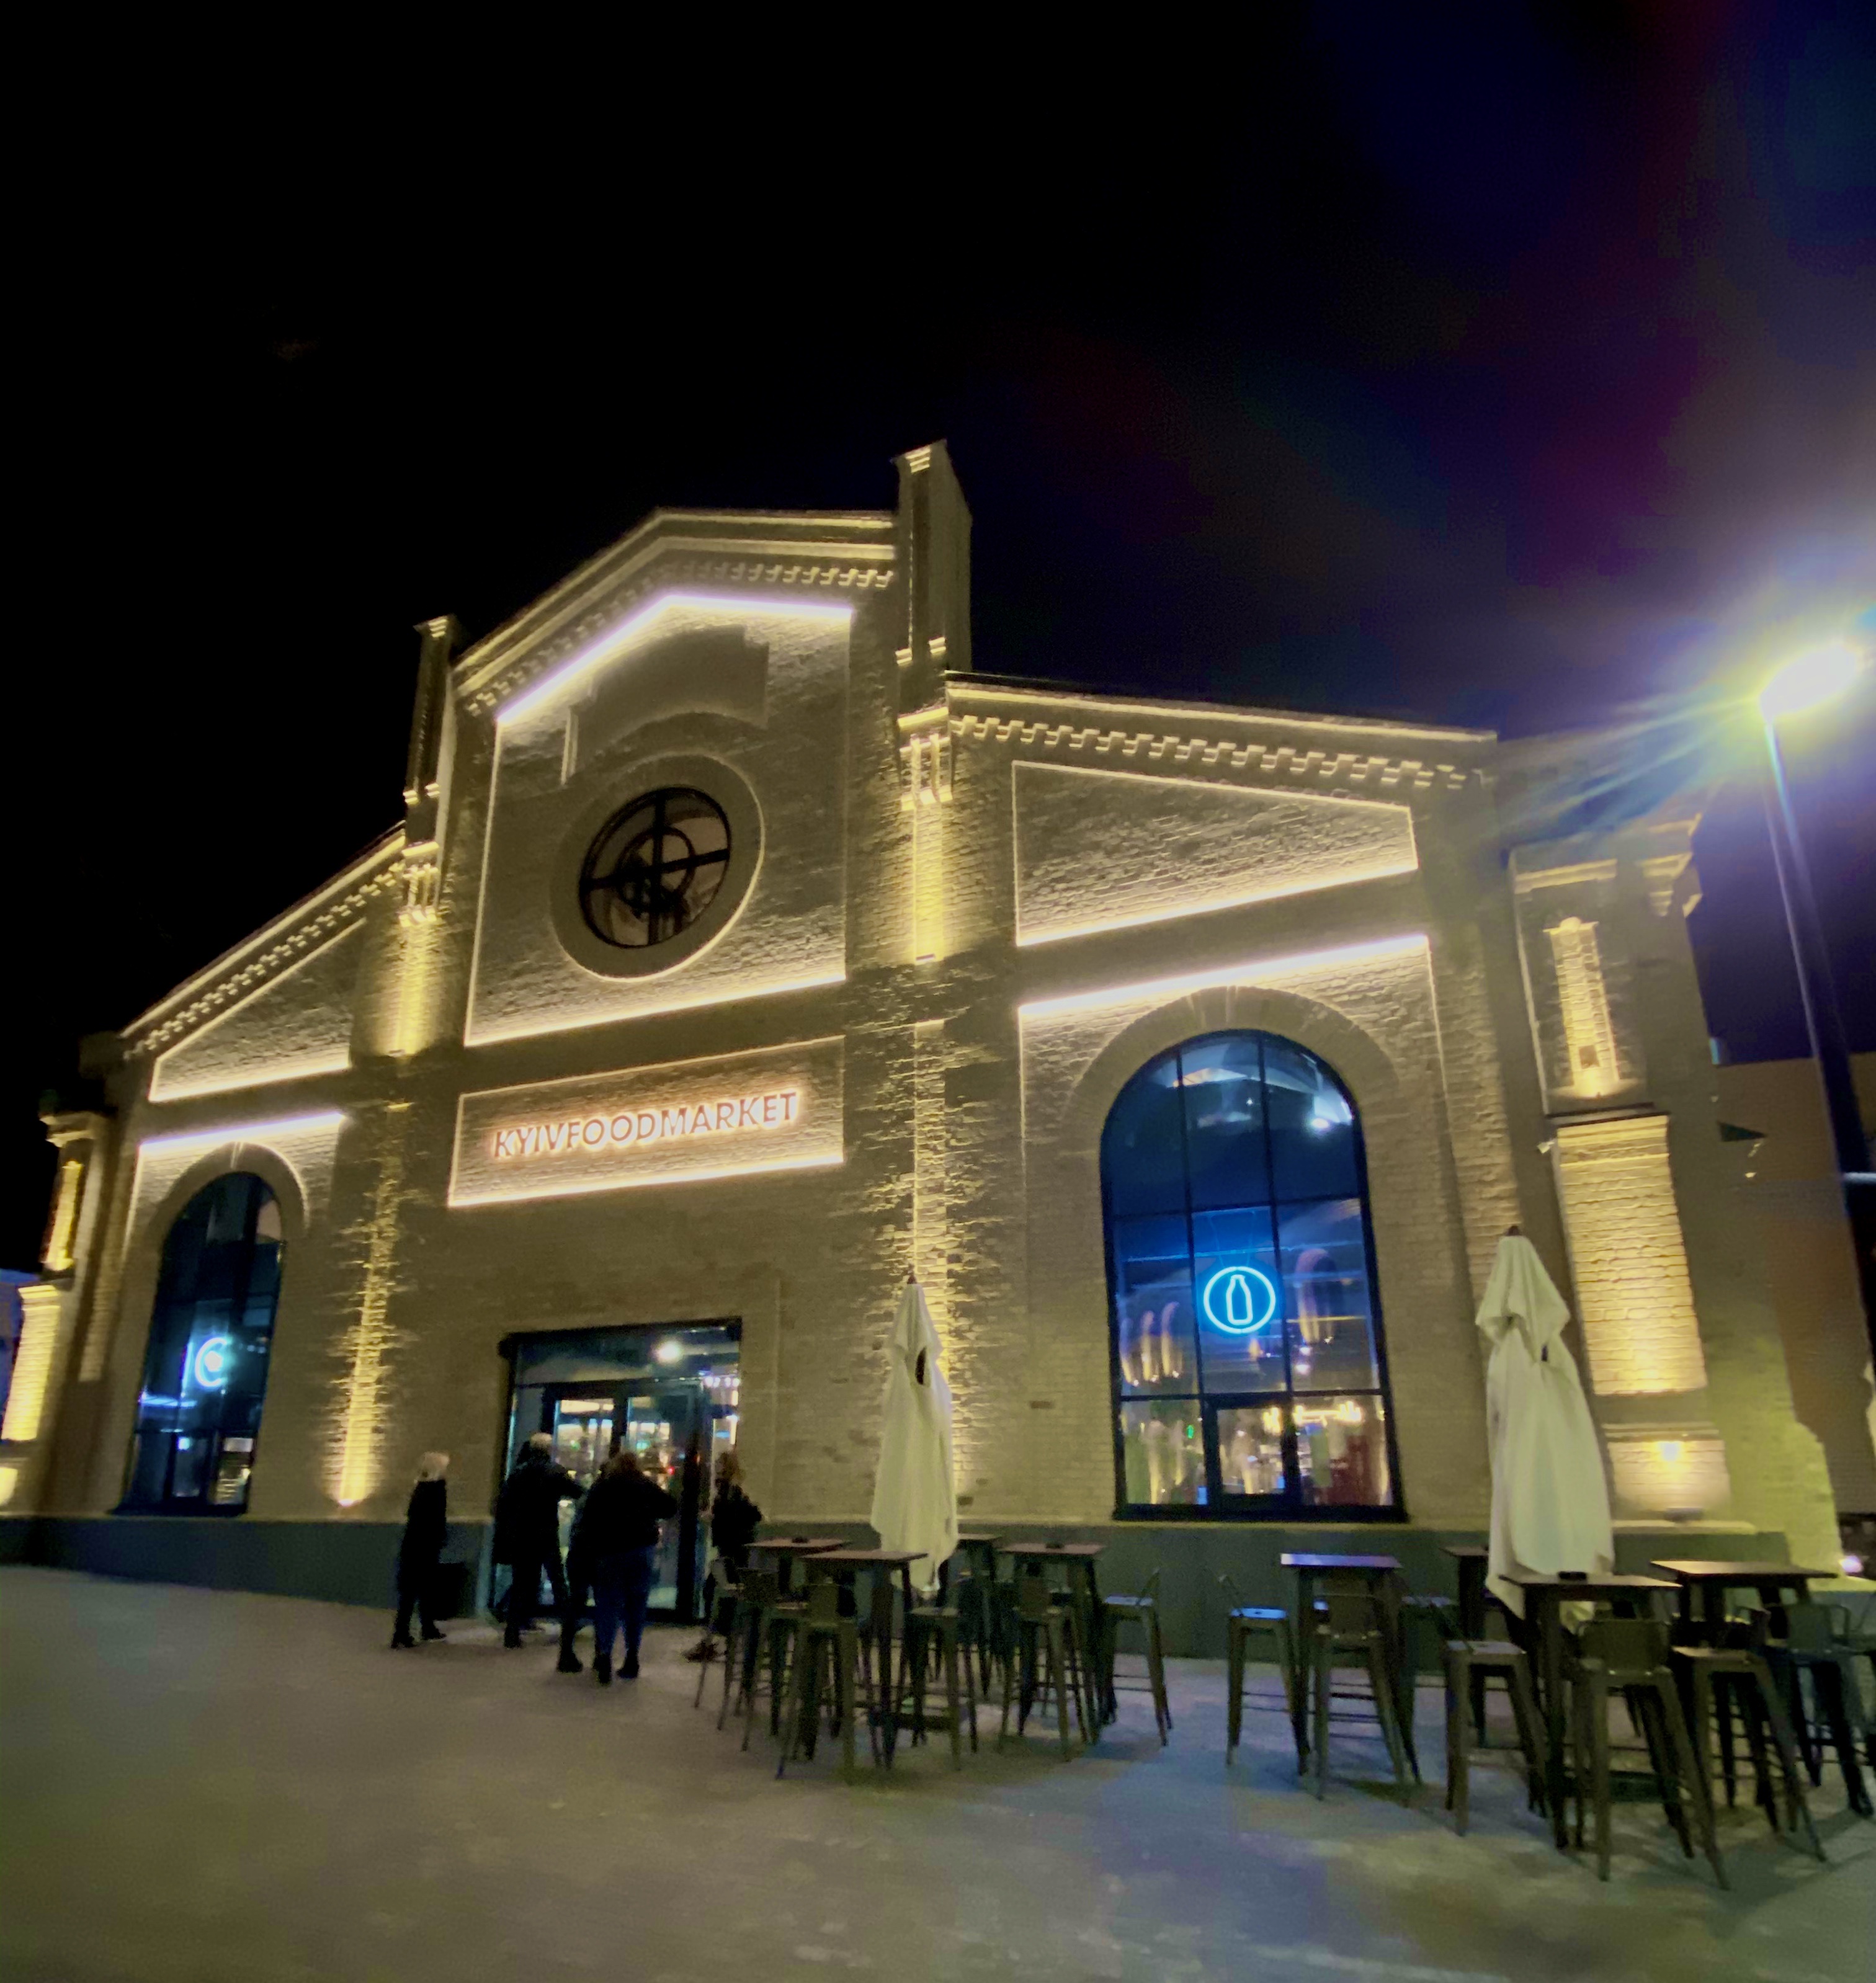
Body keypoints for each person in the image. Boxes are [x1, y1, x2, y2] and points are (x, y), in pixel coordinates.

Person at [580, 1448, 678, 1683]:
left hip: (609, 1551)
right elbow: (670, 1507)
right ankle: (632, 1657)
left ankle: (604, 1654)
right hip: (641, 1550)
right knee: (636, 1605)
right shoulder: (644, 1485)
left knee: (608, 1604)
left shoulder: (604, 1486)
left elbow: (588, 1519)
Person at [495, 1432, 583, 1649]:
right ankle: (568, 1626)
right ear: (549, 1449)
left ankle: (512, 1633)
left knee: (521, 1583)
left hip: (523, 1535)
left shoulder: (519, 1472)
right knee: (558, 1582)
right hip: (546, 1534)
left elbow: (505, 1502)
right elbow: (577, 1492)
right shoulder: (555, 1471)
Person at [391, 1451, 450, 1649]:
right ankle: (424, 1628)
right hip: (427, 1547)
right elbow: (437, 1521)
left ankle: (402, 1632)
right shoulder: (437, 1490)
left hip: (413, 1546)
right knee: (425, 1589)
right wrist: (440, 1539)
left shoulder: (420, 1489)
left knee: (410, 1591)